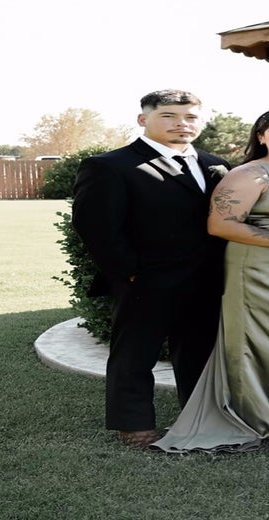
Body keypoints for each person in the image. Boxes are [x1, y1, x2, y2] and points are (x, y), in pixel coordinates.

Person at [154, 107, 269, 452]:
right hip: (263, 272)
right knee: (265, 345)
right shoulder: (250, 174)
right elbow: (220, 225)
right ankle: (257, 414)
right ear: (261, 137)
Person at [72, 89, 229, 449]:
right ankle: (135, 424)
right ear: (143, 119)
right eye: (169, 116)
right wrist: (128, 272)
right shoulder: (110, 165)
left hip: (207, 279)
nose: (182, 124)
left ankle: (199, 415)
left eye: (190, 117)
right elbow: (95, 226)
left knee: (200, 351)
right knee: (135, 353)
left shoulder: (216, 164)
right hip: (145, 280)